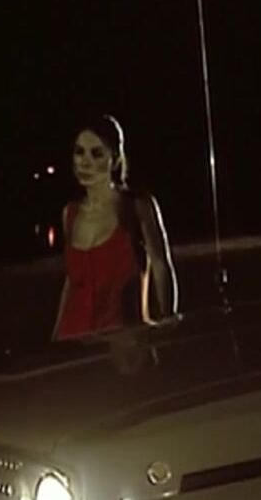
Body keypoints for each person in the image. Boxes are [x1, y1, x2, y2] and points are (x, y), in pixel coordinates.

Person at [52, 114, 177, 340]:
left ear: (116, 159)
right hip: (73, 339)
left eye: (96, 153)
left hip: (122, 341)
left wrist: (168, 319)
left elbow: (160, 265)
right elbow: (71, 282)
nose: (85, 162)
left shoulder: (136, 206)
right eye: (79, 152)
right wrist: (55, 338)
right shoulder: (70, 213)